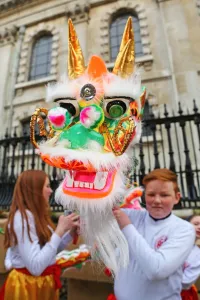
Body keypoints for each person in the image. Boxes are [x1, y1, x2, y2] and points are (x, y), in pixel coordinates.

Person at [113, 168, 195, 300]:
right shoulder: (133, 216)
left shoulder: (184, 229)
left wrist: (127, 227)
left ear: (177, 198)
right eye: (151, 194)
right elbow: (98, 216)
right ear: (144, 196)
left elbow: (156, 270)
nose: (157, 200)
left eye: (164, 195)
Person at [0, 170, 79, 300]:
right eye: (47, 186)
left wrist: (70, 233)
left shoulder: (36, 216)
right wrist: (59, 231)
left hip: (41, 286)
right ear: (34, 189)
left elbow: (49, 251)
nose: (51, 191)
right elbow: (35, 267)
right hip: (27, 289)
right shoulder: (23, 219)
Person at [181, 215, 200, 300]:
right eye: (196, 224)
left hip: (181, 294)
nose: (199, 227)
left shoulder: (197, 254)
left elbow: (186, 282)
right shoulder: (170, 242)